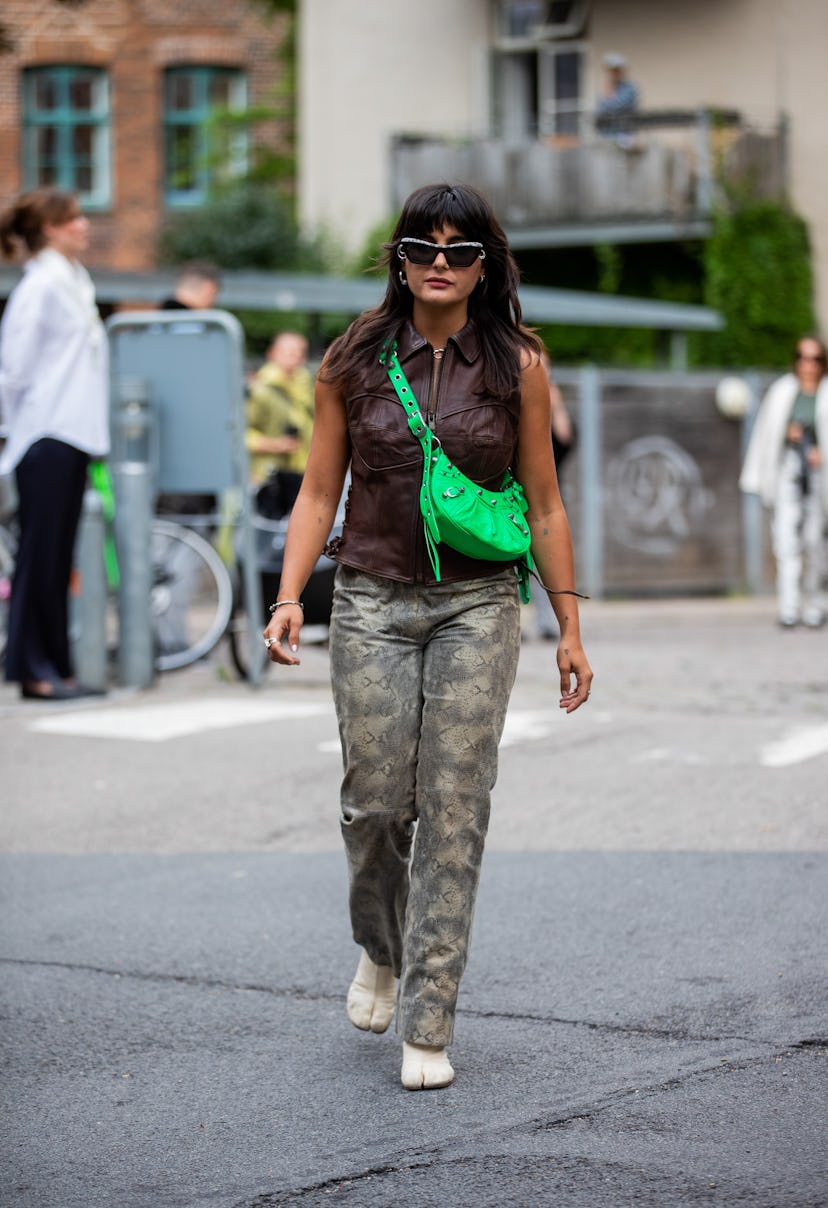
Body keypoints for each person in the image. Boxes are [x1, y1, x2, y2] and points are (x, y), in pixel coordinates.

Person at [263, 183, 593, 1091]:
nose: (440, 263)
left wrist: (568, 622)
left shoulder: (519, 363)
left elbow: (546, 501)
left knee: (454, 805)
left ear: (487, 264)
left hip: (479, 603)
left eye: (460, 249)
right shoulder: (352, 359)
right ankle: (381, 944)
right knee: (375, 805)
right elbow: (316, 492)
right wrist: (292, 596)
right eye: (424, 246)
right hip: (369, 597)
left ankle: (429, 1017)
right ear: (399, 258)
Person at [0, 188, 110, 699]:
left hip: (72, 432)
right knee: (40, 556)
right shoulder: (41, 284)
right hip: (46, 433)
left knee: (57, 556)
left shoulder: (72, 281)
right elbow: (14, 368)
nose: (84, 225)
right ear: (49, 229)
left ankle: (56, 667)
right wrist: (16, 429)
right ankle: (31, 670)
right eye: (73, 219)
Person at [739, 335, 828, 628]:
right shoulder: (782, 391)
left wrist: (820, 453)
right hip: (789, 471)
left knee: (815, 542)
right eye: (803, 357)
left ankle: (816, 605)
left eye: (814, 358)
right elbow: (767, 433)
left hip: (820, 477)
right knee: (785, 541)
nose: (808, 365)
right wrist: (788, 436)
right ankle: (789, 608)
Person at [246, 331, 315, 514]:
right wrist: (273, 445)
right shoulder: (260, 389)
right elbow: (239, 433)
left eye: (300, 352)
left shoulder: (307, 385)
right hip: (270, 476)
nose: (296, 357)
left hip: (303, 472)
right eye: (288, 352)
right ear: (272, 353)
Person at [534, 353, 577, 640]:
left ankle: (549, 623)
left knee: (546, 561)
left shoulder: (550, 403)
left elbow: (566, 440)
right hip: (510, 497)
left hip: (547, 496)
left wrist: (555, 404)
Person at [596, 52, 639, 146]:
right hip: (606, 135)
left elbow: (618, 107)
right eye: (610, 71)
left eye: (616, 70)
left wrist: (609, 96)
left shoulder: (630, 88)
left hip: (624, 135)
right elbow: (599, 110)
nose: (613, 74)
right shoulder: (606, 88)